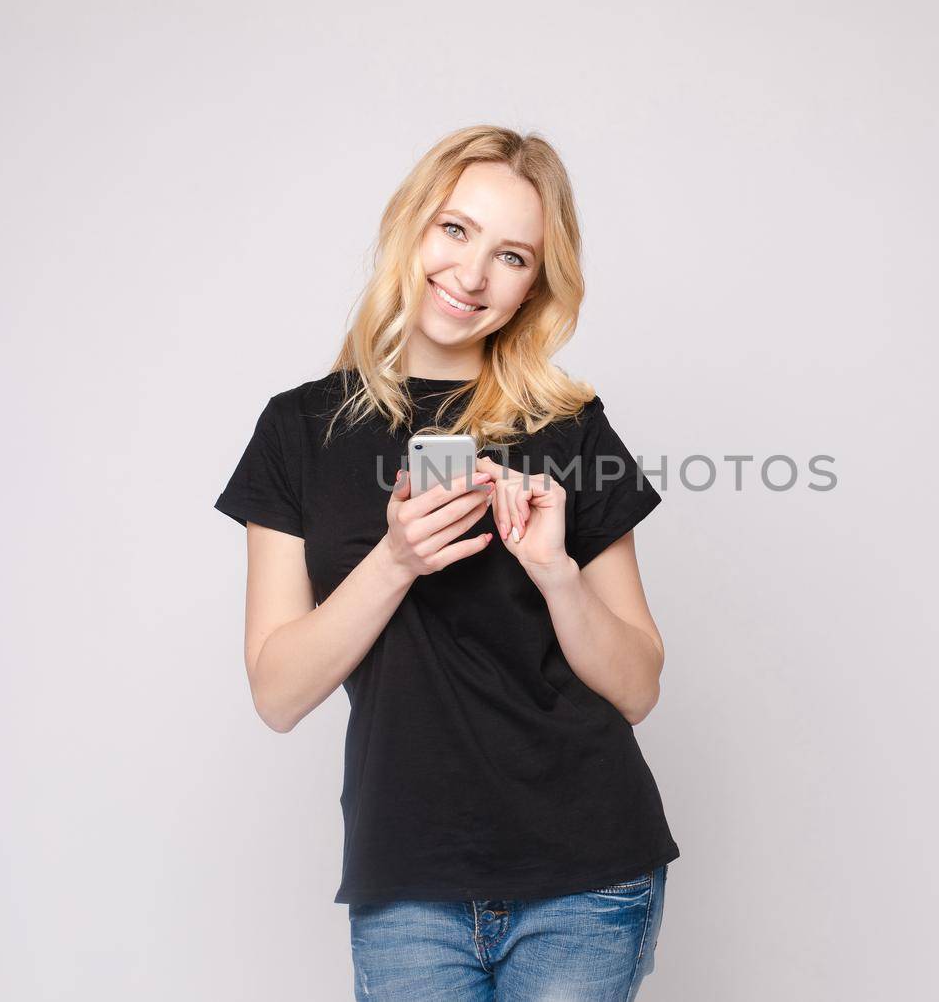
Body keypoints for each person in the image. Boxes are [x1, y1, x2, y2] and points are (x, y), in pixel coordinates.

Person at [213, 125, 679, 1000]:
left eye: (511, 255)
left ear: (536, 283)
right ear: (410, 227)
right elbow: (278, 693)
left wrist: (555, 571)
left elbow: (639, 686)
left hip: (586, 870)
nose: (472, 276)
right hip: (407, 879)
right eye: (455, 231)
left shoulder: (571, 427)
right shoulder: (299, 431)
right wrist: (394, 560)